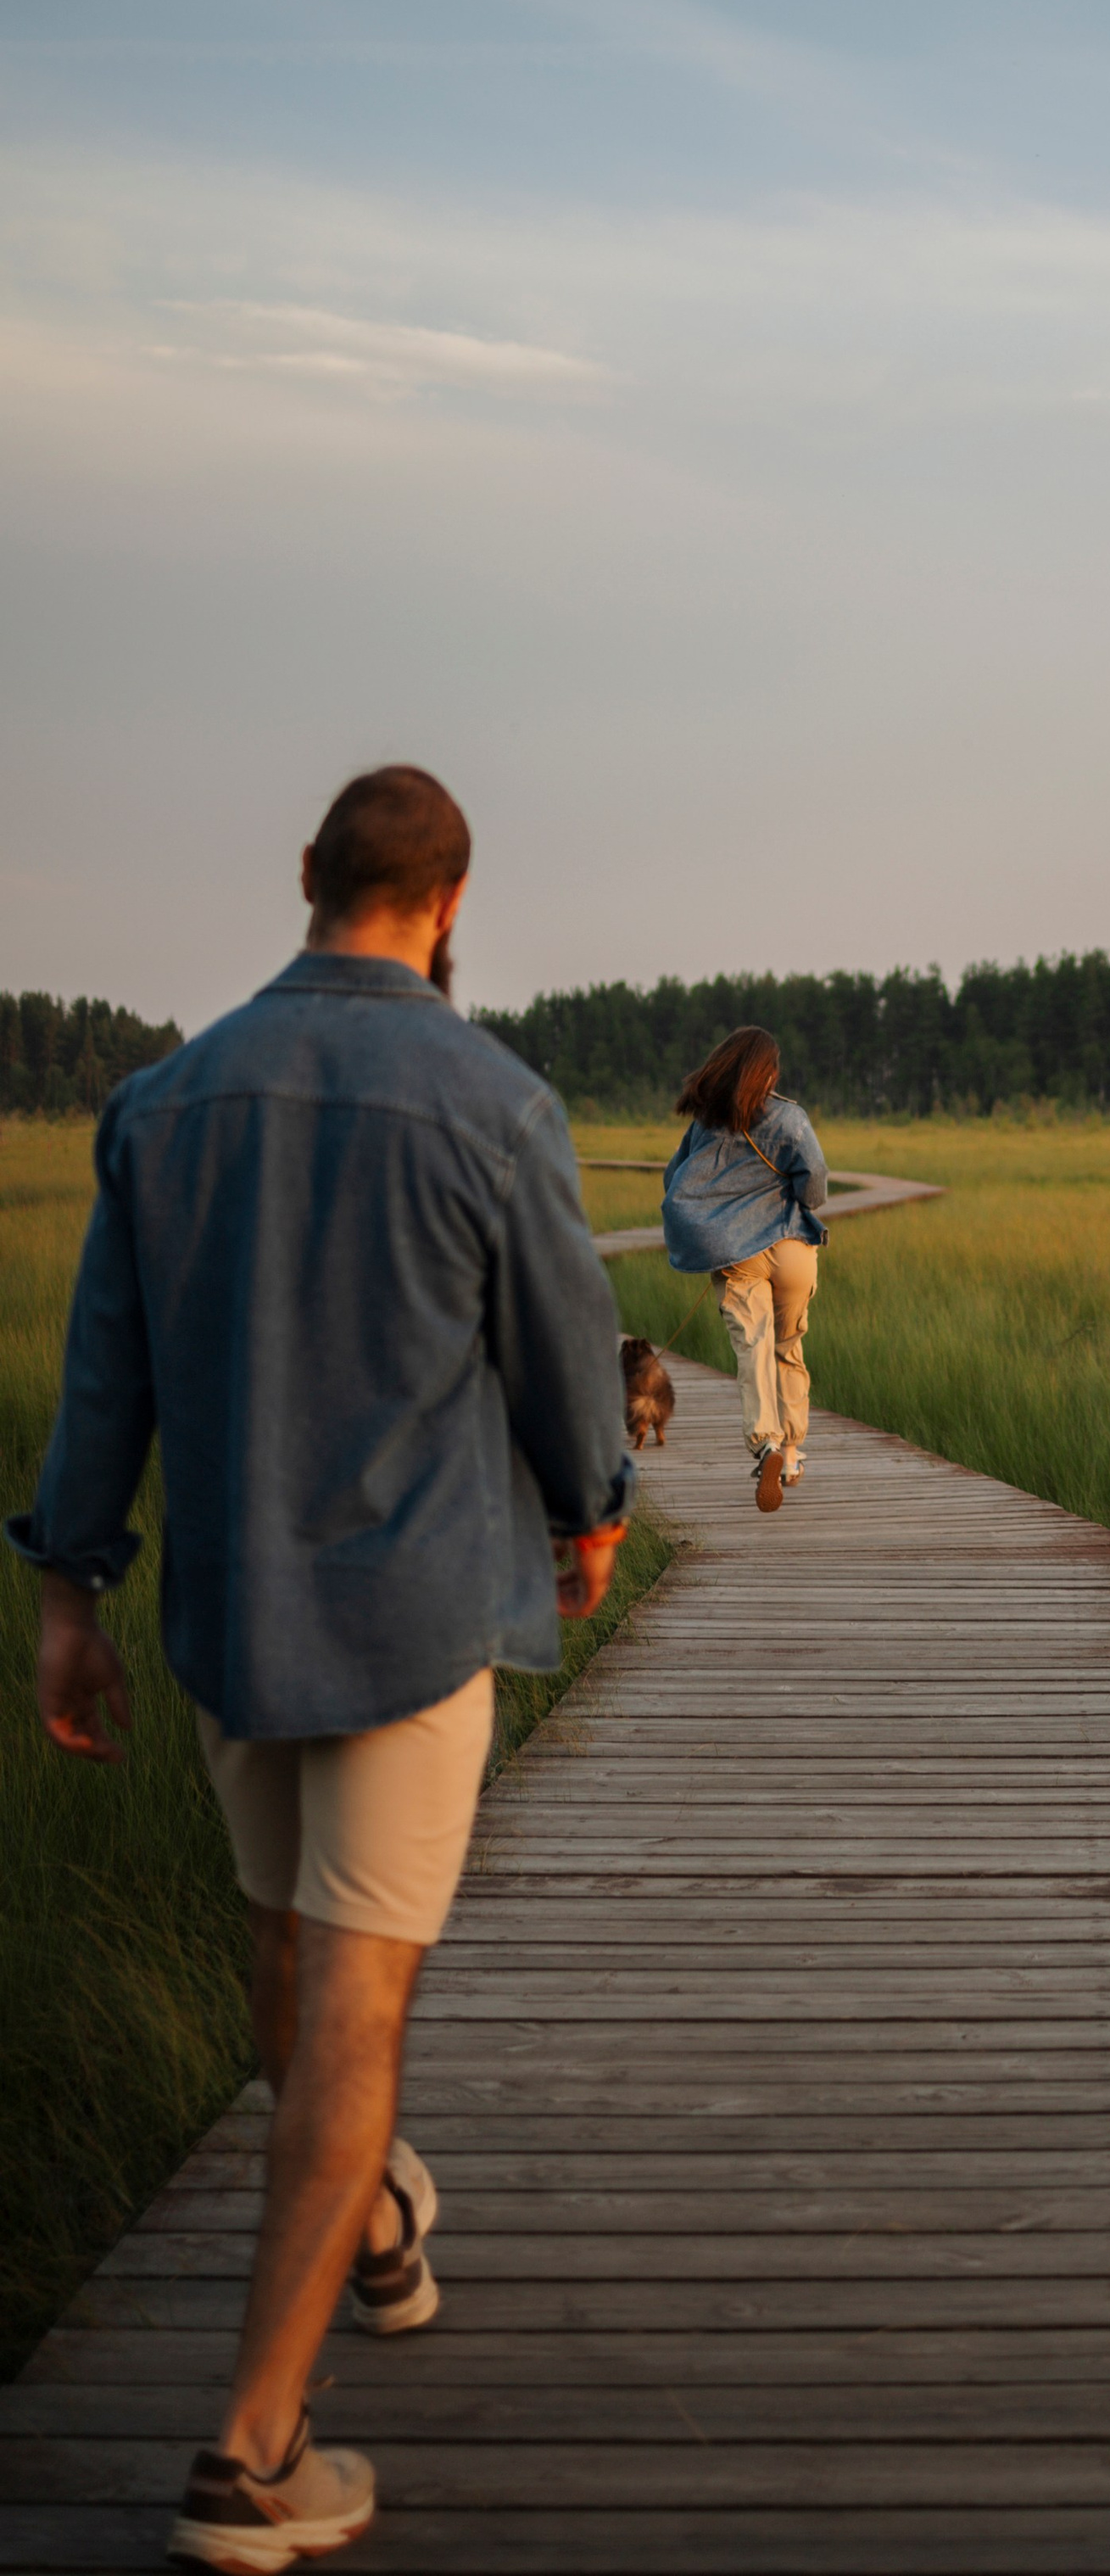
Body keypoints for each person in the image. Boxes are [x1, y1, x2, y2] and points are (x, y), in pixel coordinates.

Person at [8, 765, 636, 2574]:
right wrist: (590, 1514)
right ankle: (252, 2455)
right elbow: (561, 1357)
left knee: (287, 1953)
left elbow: (102, 1375)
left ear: (306, 878)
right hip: (413, 1623)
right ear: (451, 904)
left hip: (226, 1624)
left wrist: (70, 1602)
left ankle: (365, 2224)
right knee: (356, 2009)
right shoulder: (493, 1100)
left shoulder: (161, 1102)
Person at [661, 1024, 828, 1510]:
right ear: (768, 1072)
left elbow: (675, 1179)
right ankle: (793, 1454)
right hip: (794, 1246)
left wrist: (716, 1213)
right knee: (788, 1345)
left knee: (752, 1347)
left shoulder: (706, 1124)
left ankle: (767, 1445)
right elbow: (814, 1183)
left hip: (739, 1254)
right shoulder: (790, 1119)